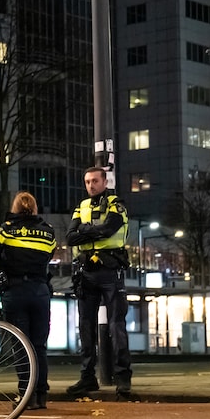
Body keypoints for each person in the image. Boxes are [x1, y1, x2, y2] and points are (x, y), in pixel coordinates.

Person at [0, 191, 56, 410]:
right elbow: (49, 255)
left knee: (21, 346)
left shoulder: (7, 229)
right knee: (39, 346)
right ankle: (41, 395)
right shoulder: (48, 232)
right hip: (41, 291)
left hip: (15, 291)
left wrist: (4, 259)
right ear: (34, 208)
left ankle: (26, 395)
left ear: (15, 207)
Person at [66, 166, 134, 399]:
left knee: (116, 326)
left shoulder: (117, 204)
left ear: (105, 182)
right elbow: (70, 237)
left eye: (95, 181)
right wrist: (93, 231)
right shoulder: (81, 206)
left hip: (110, 270)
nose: (90, 186)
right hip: (87, 272)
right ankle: (87, 378)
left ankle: (123, 379)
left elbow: (109, 229)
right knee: (85, 327)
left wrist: (85, 230)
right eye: (87, 182)